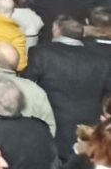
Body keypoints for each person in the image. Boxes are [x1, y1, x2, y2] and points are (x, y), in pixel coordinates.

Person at [24, 14, 111, 158]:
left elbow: (27, 83)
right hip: (89, 124)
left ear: (56, 30)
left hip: (51, 122)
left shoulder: (41, 53)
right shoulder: (102, 60)